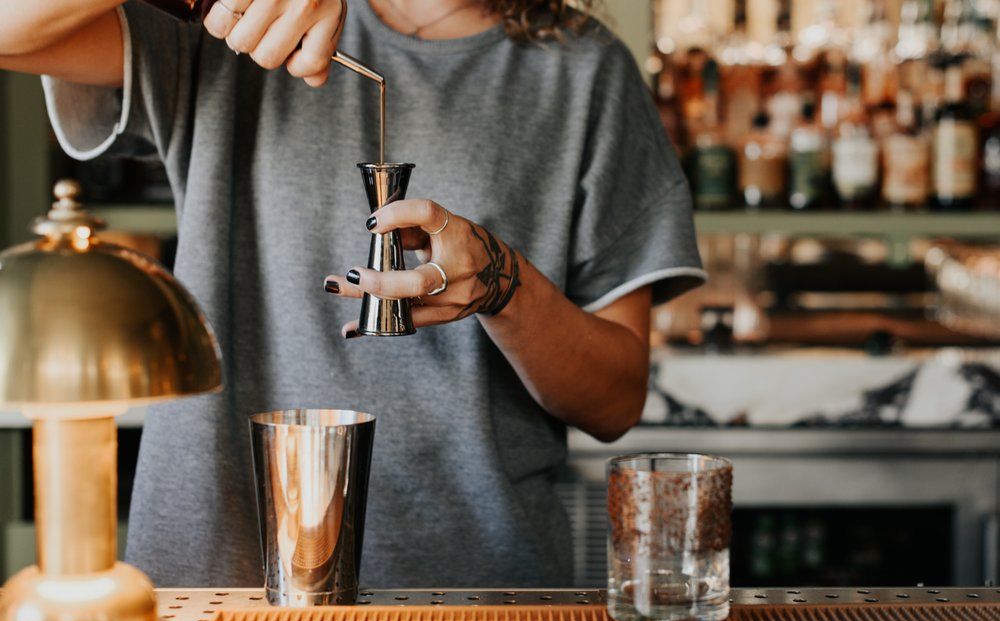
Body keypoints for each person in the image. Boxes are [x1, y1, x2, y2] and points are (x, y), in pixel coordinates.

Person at [0, 0, 704, 588]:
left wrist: (504, 286)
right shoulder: (232, 20)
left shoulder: (584, 71)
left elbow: (614, 402)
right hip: (219, 581)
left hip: (476, 592)